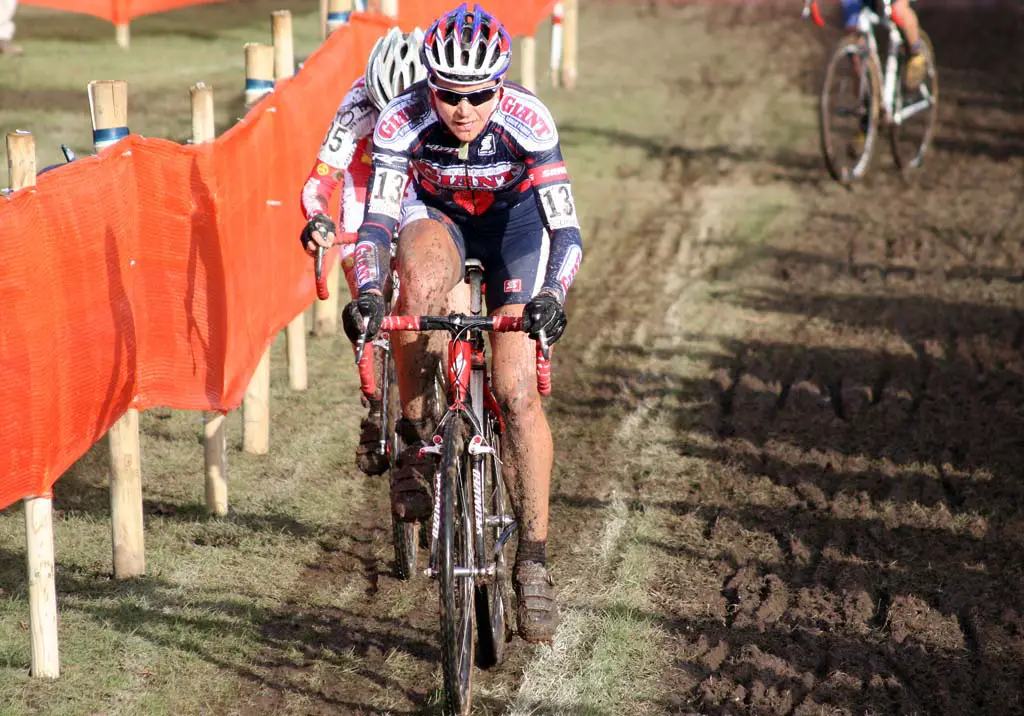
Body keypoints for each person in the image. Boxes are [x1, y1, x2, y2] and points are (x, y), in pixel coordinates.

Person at [341, 2, 583, 644]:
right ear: (430, 85)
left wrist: (552, 295)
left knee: (514, 389)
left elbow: (568, 230)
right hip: (437, 218)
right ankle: (416, 436)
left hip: (515, 229)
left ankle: (532, 560)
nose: (464, 109)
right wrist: (368, 288)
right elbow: (377, 223)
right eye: (449, 94)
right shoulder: (402, 118)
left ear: (500, 86)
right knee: (416, 289)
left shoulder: (529, 120)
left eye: (479, 95)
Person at [299, 26, 428, 476]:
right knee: (365, 289)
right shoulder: (356, 101)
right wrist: (318, 219)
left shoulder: (438, 101)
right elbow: (320, 181)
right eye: (380, 107)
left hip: (417, 184)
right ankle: (374, 401)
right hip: (365, 181)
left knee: (424, 276)